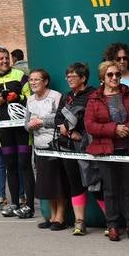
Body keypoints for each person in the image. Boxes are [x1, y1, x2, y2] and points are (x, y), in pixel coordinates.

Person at [85, 59, 129, 241]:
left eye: (117, 74)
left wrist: (127, 127)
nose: (115, 77)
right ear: (103, 77)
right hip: (106, 151)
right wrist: (113, 129)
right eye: (110, 74)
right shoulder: (94, 99)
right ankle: (113, 226)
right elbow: (90, 125)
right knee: (110, 190)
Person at [0, 47, 30, 213]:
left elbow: (29, 98)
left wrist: (17, 97)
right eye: (1, 59)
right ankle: (14, 204)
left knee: (24, 164)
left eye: (6, 58)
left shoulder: (19, 75)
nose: (4, 61)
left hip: (21, 127)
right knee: (10, 165)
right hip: (4, 129)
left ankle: (27, 203)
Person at [51, 62, 92, 232]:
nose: (69, 79)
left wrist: (77, 132)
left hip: (86, 147)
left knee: (95, 184)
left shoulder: (92, 95)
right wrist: (68, 132)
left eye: (73, 76)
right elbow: (57, 118)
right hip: (68, 146)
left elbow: (89, 118)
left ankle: (111, 223)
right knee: (75, 183)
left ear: (83, 78)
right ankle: (79, 222)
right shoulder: (66, 96)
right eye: (67, 76)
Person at [24, 69, 65, 229]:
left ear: (45, 81)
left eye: (36, 79)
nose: (33, 82)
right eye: (31, 80)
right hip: (39, 147)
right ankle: (52, 216)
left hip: (55, 145)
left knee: (57, 182)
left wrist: (41, 122)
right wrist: (30, 126)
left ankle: (60, 217)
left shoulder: (55, 96)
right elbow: (26, 123)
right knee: (46, 184)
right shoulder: (29, 100)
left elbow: (61, 119)